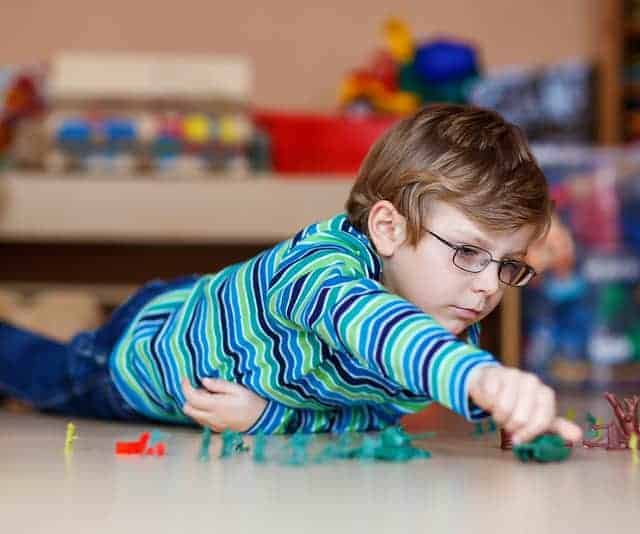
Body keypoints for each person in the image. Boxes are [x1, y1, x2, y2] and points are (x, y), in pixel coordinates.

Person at [0, 104, 581, 446]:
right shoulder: (322, 268)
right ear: (387, 229)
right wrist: (484, 380)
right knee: (34, 372)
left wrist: (269, 417)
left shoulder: (444, 323)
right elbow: (373, 325)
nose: (487, 286)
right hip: (137, 358)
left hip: (230, 376)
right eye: (469, 253)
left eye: (507, 266)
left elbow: (357, 415)